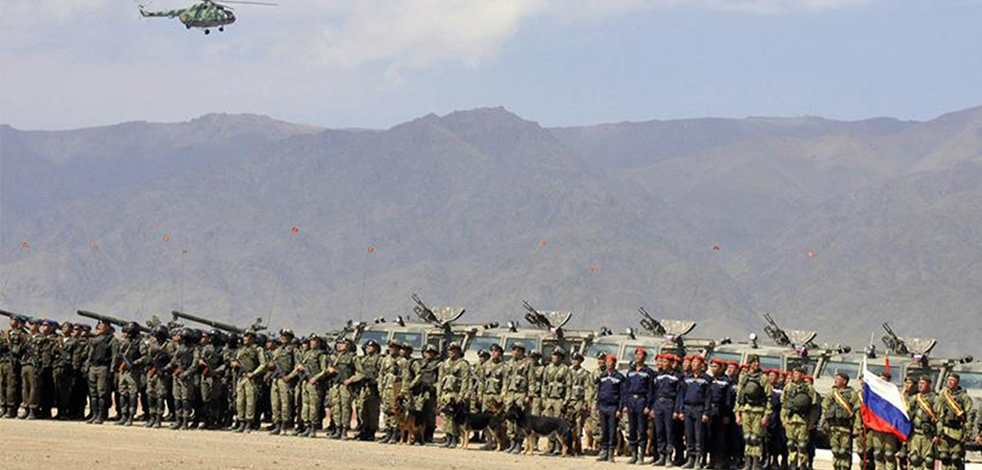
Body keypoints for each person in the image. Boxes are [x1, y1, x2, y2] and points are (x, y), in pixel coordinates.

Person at [736, 355, 772, 470]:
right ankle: (747, 462)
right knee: (747, 437)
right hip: (746, 409)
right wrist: (737, 413)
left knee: (755, 438)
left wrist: (766, 415)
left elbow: (769, 397)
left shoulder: (763, 378)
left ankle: (756, 463)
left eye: (757, 362)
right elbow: (739, 397)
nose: (756, 364)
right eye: (754, 362)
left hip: (758, 410)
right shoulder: (744, 377)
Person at [820, 371, 861, 470]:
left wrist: (857, 427)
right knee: (835, 450)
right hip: (833, 427)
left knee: (844, 451)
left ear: (844, 381)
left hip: (845, 428)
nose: (835, 381)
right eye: (835, 379)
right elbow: (824, 409)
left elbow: (857, 412)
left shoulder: (852, 394)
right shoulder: (831, 394)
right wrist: (823, 423)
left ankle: (845, 467)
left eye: (838, 379)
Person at [781, 368, 817, 470]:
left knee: (802, 445)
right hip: (790, 419)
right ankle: (792, 464)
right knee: (791, 443)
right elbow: (784, 404)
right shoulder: (788, 387)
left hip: (803, 420)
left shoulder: (809, 388)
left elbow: (813, 406)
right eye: (794, 373)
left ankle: (803, 465)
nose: (795, 375)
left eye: (797, 373)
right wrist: (783, 418)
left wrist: (812, 421)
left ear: (802, 375)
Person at [935, 373, 972, 470]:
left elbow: (969, 415)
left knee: (955, 457)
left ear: (957, 382)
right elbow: (937, 412)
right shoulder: (942, 394)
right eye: (948, 380)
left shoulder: (964, 397)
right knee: (944, 457)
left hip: (957, 431)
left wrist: (967, 432)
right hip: (944, 430)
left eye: (952, 380)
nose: (950, 382)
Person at [231, 330, 266, 433]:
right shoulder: (240, 350)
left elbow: (263, 364)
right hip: (240, 377)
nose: (246, 338)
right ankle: (241, 422)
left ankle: (248, 423)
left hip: (250, 378)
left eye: (248, 337)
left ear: (253, 338)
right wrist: (234, 363)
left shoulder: (258, 349)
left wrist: (254, 374)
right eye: (245, 336)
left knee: (250, 402)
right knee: (240, 402)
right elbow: (235, 360)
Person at [624, 347, 654, 464]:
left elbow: (651, 390)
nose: (638, 357)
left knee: (642, 429)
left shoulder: (648, 372)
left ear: (645, 357)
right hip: (631, 400)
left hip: (642, 401)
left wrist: (648, 405)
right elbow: (626, 389)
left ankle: (641, 455)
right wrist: (625, 404)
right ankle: (634, 454)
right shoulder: (630, 371)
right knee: (632, 429)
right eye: (637, 355)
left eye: (641, 355)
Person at [437, 341, 470, 448]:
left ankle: (454, 438)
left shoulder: (463, 364)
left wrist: (462, 395)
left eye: (454, 350)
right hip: (445, 393)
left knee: (454, 417)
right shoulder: (445, 363)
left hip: (455, 393)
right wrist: (439, 394)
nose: (451, 352)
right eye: (450, 350)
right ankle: (448, 436)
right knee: (445, 416)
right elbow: (440, 379)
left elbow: (466, 380)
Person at [295, 335, 329, 437]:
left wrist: (315, 378)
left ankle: (313, 428)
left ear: (319, 343)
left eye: (314, 341)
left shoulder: (321, 355)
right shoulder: (308, 353)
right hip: (306, 382)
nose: (312, 342)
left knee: (314, 406)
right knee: (305, 405)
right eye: (311, 341)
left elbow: (324, 370)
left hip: (315, 383)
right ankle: (307, 426)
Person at [503, 343, 534, 454]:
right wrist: (504, 393)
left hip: (521, 394)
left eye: (518, 350)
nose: (515, 352)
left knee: (521, 420)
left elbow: (531, 380)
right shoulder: (509, 363)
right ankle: (512, 442)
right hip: (510, 393)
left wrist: (529, 395)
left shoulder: (528, 363)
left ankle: (519, 443)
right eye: (513, 350)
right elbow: (506, 379)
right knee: (509, 419)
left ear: (522, 351)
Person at [351, 339, 383, 441]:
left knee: (372, 410)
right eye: (367, 347)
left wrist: (376, 381)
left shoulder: (379, 359)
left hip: (373, 388)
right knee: (362, 409)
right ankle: (363, 430)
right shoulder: (363, 359)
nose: (368, 348)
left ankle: (371, 432)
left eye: (371, 347)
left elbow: (382, 373)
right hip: (363, 387)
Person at [113, 322, 144, 427]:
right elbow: (118, 354)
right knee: (122, 393)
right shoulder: (124, 342)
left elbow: (145, 357)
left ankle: (131, 416)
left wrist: (134, 363)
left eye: (129, 332)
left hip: (133, 371)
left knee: (132, 394)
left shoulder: (140, 343)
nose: (127, 334)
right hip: (123, 371)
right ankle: (123, 415)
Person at [542, 347, 572, 456]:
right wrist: (544, 398)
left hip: (559, 400)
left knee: (558, 424)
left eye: (557, 355)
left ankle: (558, 447)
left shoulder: (565, 369)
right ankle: (551, 445)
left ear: (561, 357)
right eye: (553, 355)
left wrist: (566, 400)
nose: (554, 357)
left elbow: (569, 386)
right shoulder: (548, 368)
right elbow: (544, 384)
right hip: (549, 399)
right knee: (547, 424)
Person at [86, 320, 115, 425]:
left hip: (103, 367)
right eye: (98, 325)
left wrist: (112, 370)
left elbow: (114, 356)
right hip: (93, 367)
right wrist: (87, 366)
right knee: (93, 393)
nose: (99, 327)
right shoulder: (94, 340)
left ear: (107, 327)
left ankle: (100, 415)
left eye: (102, 325)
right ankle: (94, 414)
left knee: (101, 392)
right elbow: (90, 354)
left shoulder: (111, 339)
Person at [869, 371, 900, 470]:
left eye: (884, 380)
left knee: (889, 454)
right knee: (877, 453)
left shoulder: (893, 394)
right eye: (880, 379)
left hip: (889, 429)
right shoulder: (873, 394)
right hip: (876, 428)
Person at [707, 358, 735, 470]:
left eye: (715, 366)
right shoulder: (708, 380)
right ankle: (712, 461)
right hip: (710, 410)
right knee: (710, 437)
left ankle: (720, 461)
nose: (713, 369)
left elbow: (728, 400)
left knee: (721, 438)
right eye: (712, 366)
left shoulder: (726, 381)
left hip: (721, 410)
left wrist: (726, 415)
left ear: (721, 368)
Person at [597, 354, 625, 463]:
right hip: (603, 406)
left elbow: (622, 394)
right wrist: (598, 405)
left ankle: (611, 453)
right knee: (604, 430)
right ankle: (604, 450)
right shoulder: (602, 376)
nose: (609, 364)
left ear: (614, 363)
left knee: (612, 430)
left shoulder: (619, 377)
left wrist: (620, 409)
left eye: (611, 362)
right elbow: (599, 392)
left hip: (613, 407)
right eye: (607, 362)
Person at [907, 376, 937, 470]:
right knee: (914, 458)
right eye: (919, 383)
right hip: (915, 434)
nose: (920, 385)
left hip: (928, 435)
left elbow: (939, 418)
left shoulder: (935, 399)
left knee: (929, 460)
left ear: (929, 385)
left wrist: (937, 434)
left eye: (923, 383)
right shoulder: (914, 398)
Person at [377, 340, 404, 444]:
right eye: (391, 347)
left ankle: (394, 433)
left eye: (395, 347)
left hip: (396, 387)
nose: (392, 349)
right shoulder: (385, 360)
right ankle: (388, 432)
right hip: (386, 388)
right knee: (386, 410)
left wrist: (403, 391)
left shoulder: (402, 361)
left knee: (395, 410)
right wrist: (380, 388)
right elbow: (381, 374)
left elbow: (405, 377)